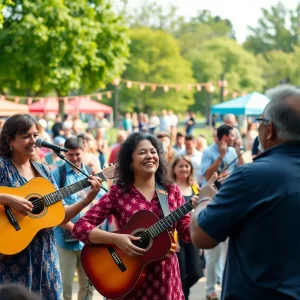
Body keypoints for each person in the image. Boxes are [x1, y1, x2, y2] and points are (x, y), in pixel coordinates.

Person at [190, 84, 300, 299]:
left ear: (270, 130)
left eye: (259, 122)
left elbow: (201, 236)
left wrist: (205, 199)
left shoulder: (250, 177)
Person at [72, 132, 199, 299]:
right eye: (142, 152)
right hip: (129, 282)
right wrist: (116, 239)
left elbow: (186, 232)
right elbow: (80, 228)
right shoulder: (119, 192)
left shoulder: (171, 190)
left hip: (166, 281)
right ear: (130, 161)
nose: (150, 156)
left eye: (153, 151)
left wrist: (202, 213)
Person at [0, 114, 102, 300]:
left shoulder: (44, 171)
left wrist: (87, 200)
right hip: (12, 257)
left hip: (45, 256)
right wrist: (8, 199)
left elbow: (60, 216)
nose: (34, 141)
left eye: (35, 135)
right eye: (26, 136)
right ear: (10, 141)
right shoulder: (2, 166)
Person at [51, 137, 105, 300]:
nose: (75, 158)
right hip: (64, 238)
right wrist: (74, 228)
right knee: (65, 285)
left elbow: (103, 201)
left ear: (84, 152)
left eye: (78, 154)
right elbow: (55, 211)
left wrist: (92, 199)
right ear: (65, 154)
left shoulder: (90, 173)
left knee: (88, 285)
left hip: (88, 239)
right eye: (71, 155)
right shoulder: (57, 174)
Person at [170, 155, 203, 299]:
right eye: (181, 166)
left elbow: (201, 213)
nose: (184, 169)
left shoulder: (195, 188)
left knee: (195, 273)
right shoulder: (171, 189)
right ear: (174, 169)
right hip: (176, 238)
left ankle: (180, 293)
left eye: (186, 166)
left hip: (192, 236)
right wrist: (172, 240)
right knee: (181, 273)